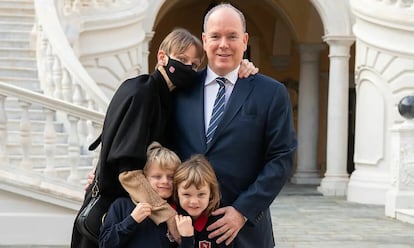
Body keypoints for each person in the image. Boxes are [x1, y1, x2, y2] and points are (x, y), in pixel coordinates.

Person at [71, 27, 258, 247]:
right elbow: (127, 171)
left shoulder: (168, 97)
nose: (187, 68)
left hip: (145, 212)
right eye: (181, 59)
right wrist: (167, 216)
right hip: (121, 213)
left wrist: (241, 67)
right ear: (162, 56)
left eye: (194, 64)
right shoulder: (141, 92)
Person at [171, 3, 297, 248]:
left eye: (232, 36)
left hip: (246, 234)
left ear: (245, 40)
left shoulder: (271, 93)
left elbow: (282, 157)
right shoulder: (179, 91)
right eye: (216, 36)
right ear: (205, 40)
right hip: (184, 233)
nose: (223, 44)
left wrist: (242, 211)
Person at [99, 142, 180, 248]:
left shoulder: (178, 211)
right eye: (157, 176)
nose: (165, 181)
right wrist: (131, 220)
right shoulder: (122, 205)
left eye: (171, 177)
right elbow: (105, 244)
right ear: (144, 178)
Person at [174, 154, 231, 248]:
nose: (194, 201)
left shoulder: (220, 224)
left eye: (201, 194)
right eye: (186, 194)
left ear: (211, 193)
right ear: (177, 192)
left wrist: (187, 239)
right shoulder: (170, 217)